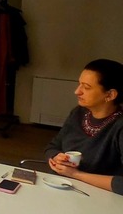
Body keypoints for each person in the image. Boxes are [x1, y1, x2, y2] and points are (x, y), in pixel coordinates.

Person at [44, 58, 123, 194]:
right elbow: (53, 146)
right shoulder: (78, 113)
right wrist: (56, 157)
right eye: (79, 84)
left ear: (110, 95)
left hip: (100, 197)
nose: (77, 91)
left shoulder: (119, 126)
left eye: (86, 87)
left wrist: (76, 174)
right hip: (62, 187)